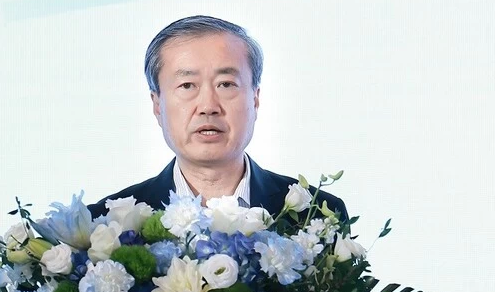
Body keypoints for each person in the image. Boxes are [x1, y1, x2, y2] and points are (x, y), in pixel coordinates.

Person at [87, 15, 348, 221]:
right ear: (157, 105)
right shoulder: (108, 223)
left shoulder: (318, 215)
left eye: (226, 84)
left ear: (255, 99)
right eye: (187, 85)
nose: (208, 106)